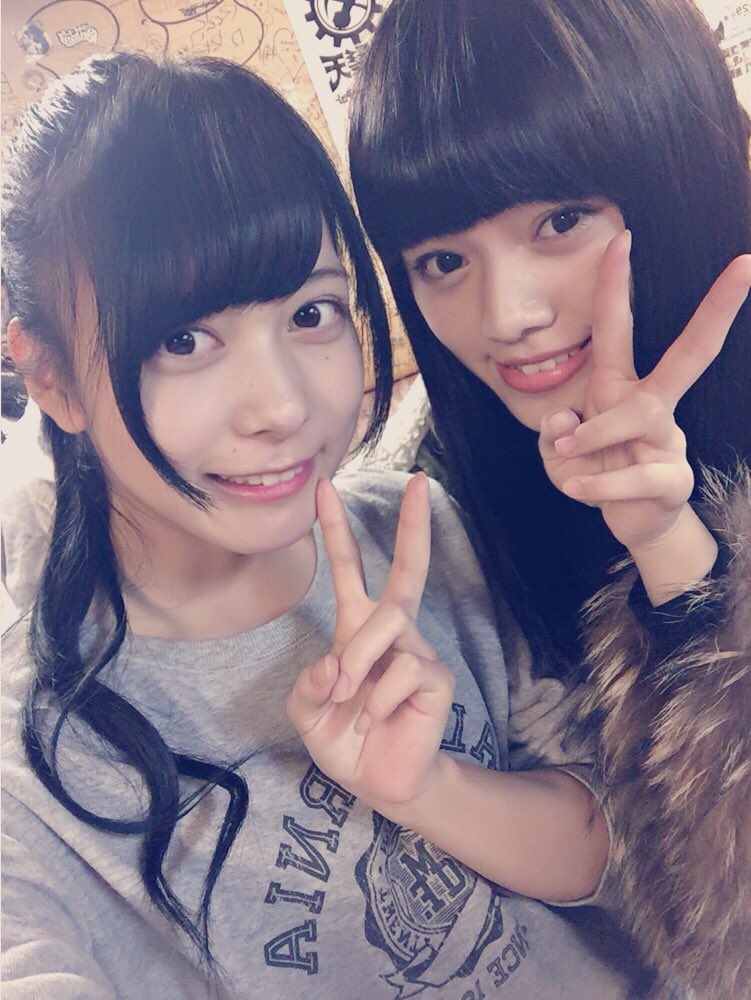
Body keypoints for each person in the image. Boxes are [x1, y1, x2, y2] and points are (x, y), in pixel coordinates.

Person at [0, 51, 644, 999]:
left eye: (312, 313)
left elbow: (620, 852)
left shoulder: (420, 534)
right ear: (48, 376)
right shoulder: (32, 767)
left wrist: (433, 790)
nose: (283, 406)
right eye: (183, 340)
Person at [346, 1, 751, 996]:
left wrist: (677, 558)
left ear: (676, 172)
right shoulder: (439, 484)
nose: (508, 316)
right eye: (443, 260)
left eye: (560, 220)